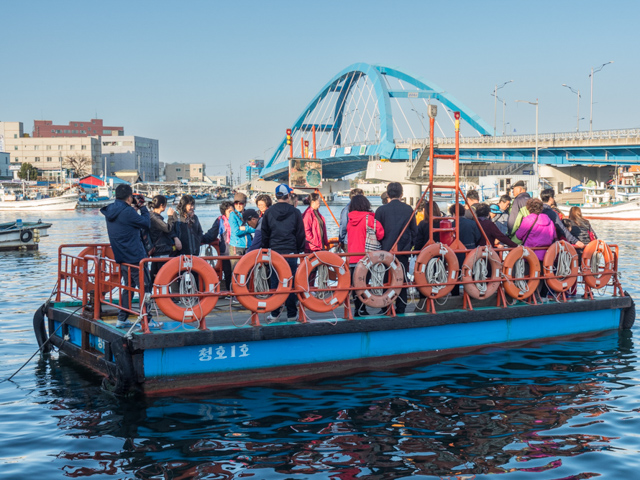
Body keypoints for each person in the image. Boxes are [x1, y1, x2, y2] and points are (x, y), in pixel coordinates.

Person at [101, 184, 158, 329]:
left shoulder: (111, 210)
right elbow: (146, 223)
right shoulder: (127, 211)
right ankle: (147, 320)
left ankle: (122, 318)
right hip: (136, 257)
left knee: (128, 287)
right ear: (129, 197)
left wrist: (134, 209)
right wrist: (143, 207)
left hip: (122, 256)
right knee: (145, 288)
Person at [261, 184, 306, 321]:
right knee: (290, 283)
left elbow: (265, 234)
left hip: (274, 252)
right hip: (291, 252)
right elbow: (300, 234)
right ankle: (292, 314)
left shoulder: (268, 212)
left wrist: (266, 250)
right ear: (288, 196)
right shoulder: (295, 212)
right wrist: (298, 250)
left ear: (276, 196)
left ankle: (275, 313)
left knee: (275, 283)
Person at [375, 182, 417, 314]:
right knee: (402, 280)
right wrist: (410, 246)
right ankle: (401, 307)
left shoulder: (381, 210)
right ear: (402, 194)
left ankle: (385, 306)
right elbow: (414, 231)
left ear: (387, 194)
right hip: (403, 250)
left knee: (386, 279)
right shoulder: (408, 209)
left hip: (385, 250)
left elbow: (377, 232)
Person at [347, 195, 384, 316]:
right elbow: (380, 233)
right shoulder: (368, 219)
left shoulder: (350, 220)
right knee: (365, 284)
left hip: (352, 257)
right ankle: (363, 308)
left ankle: (358, 309)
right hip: (365, 258)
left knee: (356, 285)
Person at [148, 195, 182, 282]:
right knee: (163, 279)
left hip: (158, 250)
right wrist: (170, 216)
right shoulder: (155, 218)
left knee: (156, 278)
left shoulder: (151, 216)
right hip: (160, 251)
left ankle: (153, 294)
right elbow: (168, 228)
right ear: (162, 205)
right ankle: (162, 295)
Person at [229, 192, 255, 268]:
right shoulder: (232, 215)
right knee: (237, 270)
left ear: (245, 204)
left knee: (248, 269)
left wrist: (244, 228)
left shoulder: (248, 214)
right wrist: (248, 228)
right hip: (236, 246)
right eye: (236, 203)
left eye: (241, 203)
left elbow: (254, 229)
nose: (238, 206)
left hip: (248, 245)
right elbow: (236, 231)